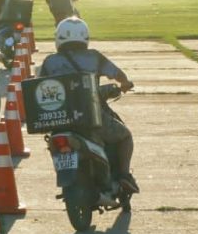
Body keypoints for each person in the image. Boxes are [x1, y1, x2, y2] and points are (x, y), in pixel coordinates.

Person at [39, 16, 139, 194]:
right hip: (91, 116)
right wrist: (125, 84)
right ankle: (124, 176)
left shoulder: (49, 62)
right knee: (125, 136)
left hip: (58, 119)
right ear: (85, 37)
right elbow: (118, 74)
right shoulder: (94, 57)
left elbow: (38, 87)